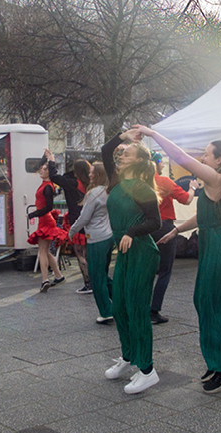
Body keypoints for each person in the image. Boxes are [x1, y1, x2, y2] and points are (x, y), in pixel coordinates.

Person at [137, 125, 221, 393]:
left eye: (207, 155)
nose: (203, 158)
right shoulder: (215, 183)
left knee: (210, 302)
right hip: (214, 241)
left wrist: (153, 135)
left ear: (219, 160)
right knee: (204, 301)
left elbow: (183, 158)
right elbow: (205, 216)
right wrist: (176, 230)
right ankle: (217, 361)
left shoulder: (217, 180)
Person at [100, 130, 161, 395]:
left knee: (137, 310)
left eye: (127, 152)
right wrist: (122, 135)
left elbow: (155, 222)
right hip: (125, 252)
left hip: (142, 253)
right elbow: (106, 150)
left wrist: (130, 232)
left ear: (138, 161)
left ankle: (147, 370)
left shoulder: (141, 188)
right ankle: (129, 357)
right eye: (121, 152)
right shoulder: (118, 180)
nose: (121, 154)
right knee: (120, 307)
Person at [149, 151, 198, 325]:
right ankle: (154, 310)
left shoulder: (139, 183)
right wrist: (192, 187)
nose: (163, 165)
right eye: (161, 162)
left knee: (146, 270)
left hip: (144, 228)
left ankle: (139, 306)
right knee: (165, 270)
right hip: (163, 227)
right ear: (155, 164)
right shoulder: (163, 182)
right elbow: (186, 200)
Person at [68, 161, 114, 324]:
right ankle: (120, 298)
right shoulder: (107, 191)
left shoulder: (93, 193)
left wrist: (71, 231)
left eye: (93, 172)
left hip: (96, 239)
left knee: (95, 277)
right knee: (101, 274)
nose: (90, 174)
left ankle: (106, 311)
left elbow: (84, 217)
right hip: (108, 237)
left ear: (99, 174)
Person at [45, 151, 92, 293]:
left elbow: (55, 177)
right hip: (90, 222)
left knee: (80, 254)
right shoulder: (90, 184)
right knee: (88, 254)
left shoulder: (73, 183)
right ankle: (95, 282)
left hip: (77, 221)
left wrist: (51, 161)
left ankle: (88, 284)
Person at [27, 157, 68, 292]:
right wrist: (47, 157)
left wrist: (33, 214)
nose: (41, 170)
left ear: (49, 172)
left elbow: (48, 207)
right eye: (41, 168)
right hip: (44, 219)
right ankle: (58, 275)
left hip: (46, 220)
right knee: (45, 250)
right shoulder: (45, 185)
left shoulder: (48, 187)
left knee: (43, 251)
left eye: (45, 169)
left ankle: (45, 279)